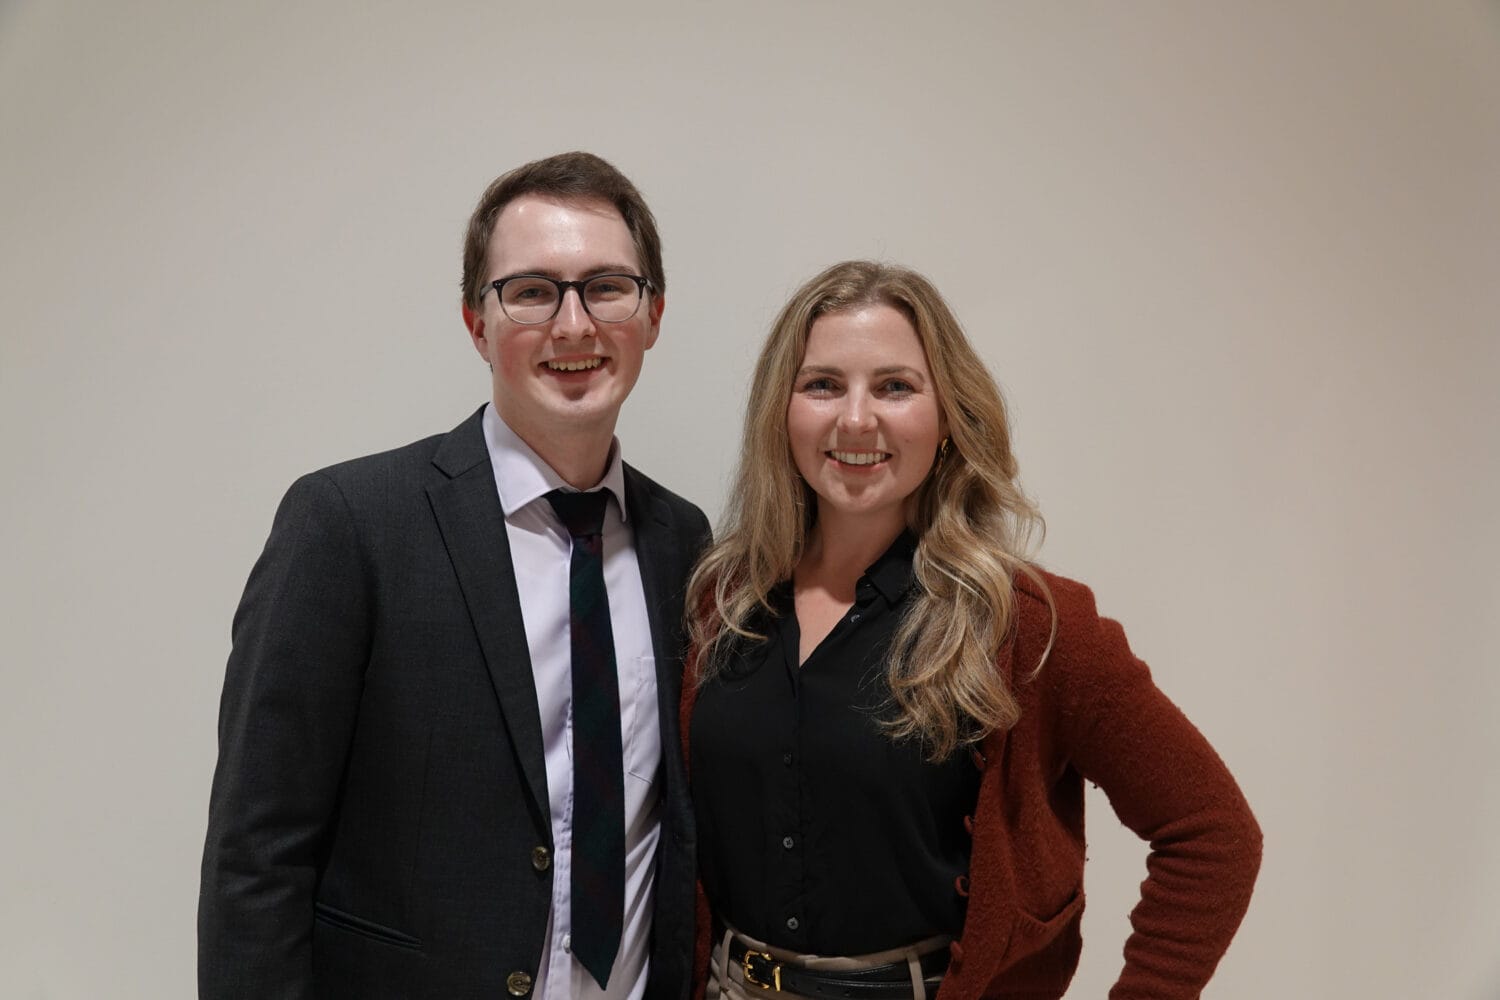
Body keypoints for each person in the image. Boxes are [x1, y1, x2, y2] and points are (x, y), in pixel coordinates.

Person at [199, 151, 711, 1000]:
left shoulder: (682, 543)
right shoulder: (349, 525)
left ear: (652, 315)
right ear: (478, 324)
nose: (574, 325)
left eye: (606, 287)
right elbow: (257, 855)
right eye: (532, 290)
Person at [682, 261, 1261, 1000]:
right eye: (823, 383)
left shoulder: (1027, 626)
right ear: (781, 412)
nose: (856, 419)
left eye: (895, 386)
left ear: (948, 416)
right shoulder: (719, 603)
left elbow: (1213, 834)